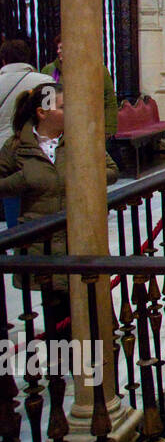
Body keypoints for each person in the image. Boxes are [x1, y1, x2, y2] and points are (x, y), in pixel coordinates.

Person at [0, 82, 120, 338]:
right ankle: (64, 366)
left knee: (90, 300)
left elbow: (111, 171)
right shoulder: (17, 146)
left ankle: (96, 361)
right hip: (42, 239)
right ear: (42, 112)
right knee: (55, 306)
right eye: (65, 107)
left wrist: (84, 175)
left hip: (79, 233)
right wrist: (21, 180)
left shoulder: (81, 139)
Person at [1, 38, 51, 227]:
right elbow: (51, 115)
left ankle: (14, 238)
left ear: (4, 60)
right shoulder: (44, 82)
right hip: (36, 148)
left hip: (3, 150)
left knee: (11, 194)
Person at [41, 34, 119, 139]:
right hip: (58, 130)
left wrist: (108, 129)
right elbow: (46, 103)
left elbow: (109, 100)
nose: (58, 51)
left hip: (89, 127)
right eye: (58, 48)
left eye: (62, 48)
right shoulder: (49, 70)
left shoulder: (98, 69)